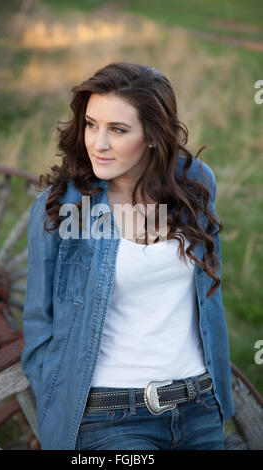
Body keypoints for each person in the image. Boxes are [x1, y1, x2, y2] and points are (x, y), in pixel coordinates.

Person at [21, 62, 235, 450]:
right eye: (91, 124)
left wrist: (216, 400)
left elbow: (209, 297)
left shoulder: (196, 184)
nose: (97, 143)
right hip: (109, 417)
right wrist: (58, 407)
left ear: (153, 136)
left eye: (118, 130)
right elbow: (39, 325)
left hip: (199, 407)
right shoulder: (61, 207)